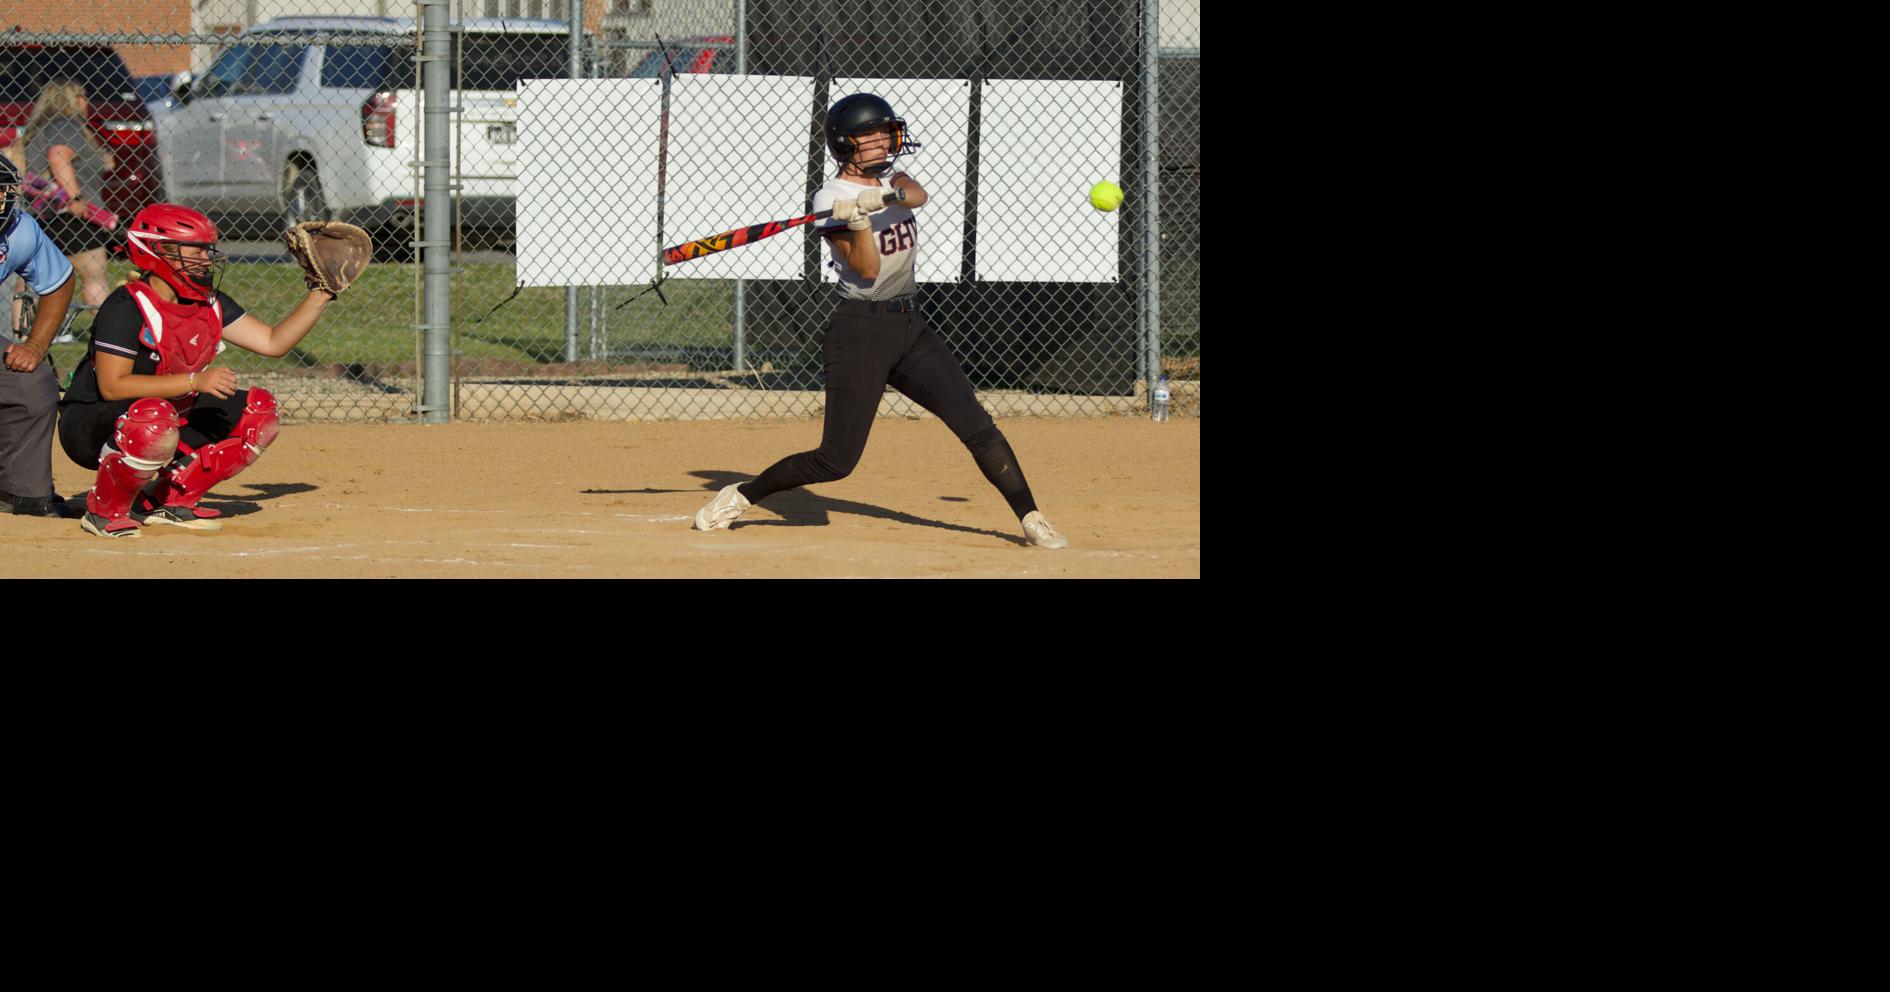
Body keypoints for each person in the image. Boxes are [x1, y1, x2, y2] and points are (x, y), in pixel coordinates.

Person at [692, 93, 1068, 549]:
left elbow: (917, 195)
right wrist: (857, 224)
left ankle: (1030, 516)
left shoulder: (891, 176)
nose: (885, 141)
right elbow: (867, 271)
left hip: (911, 327)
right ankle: (742, 496)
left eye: (885, 132)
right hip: (860, 333)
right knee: (836, 462)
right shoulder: (830, 198)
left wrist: (883, 197)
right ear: (846, 146)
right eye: (872, 135)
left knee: (977, 426)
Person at [57, 204, 334, 538]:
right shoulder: (126, 305)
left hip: (163, 413)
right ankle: (105, 510)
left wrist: (321, 293)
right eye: (195, 251)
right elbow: (114, 386)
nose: (205, 259)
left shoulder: (209, 301)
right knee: (151, 416)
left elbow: (273, 343)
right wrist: (194, 380)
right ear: (157, 252)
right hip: (92, 423)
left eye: (206, 250)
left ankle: (172, 499)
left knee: (258, 411)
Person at [0, 154, 78, 517]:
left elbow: (59, 282)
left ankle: (19, 491)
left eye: (1, 191)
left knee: (32, 383)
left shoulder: (18, 230)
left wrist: (35, 345)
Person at [22, 80, 116, 339]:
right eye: (82, 97)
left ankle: (25, 333)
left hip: (43, 216)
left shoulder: (38, 130)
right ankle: (108, 335)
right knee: (94, 277)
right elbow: (58, 156)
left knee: (34, 281)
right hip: (75, 217)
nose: (86, 103)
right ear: (71, 101)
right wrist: (75, 197)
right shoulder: (68, 126)